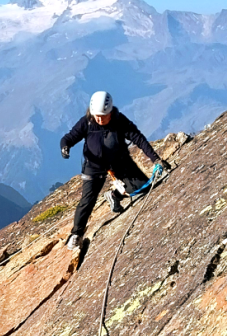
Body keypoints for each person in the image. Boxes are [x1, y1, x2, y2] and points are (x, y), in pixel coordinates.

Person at [60, 91, 170, 250]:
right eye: (96, 115)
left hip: (119, 162)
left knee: (142, 186)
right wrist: (65, 147)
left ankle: (114, 195)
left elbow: (138, 138)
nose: (98, 118)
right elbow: (69, 138)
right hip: (94, 166)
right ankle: (76, 234)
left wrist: (156, 159)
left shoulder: (120, 121)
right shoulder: (87, 122)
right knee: (88, 200)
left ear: (110, 112)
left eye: (102, 115)